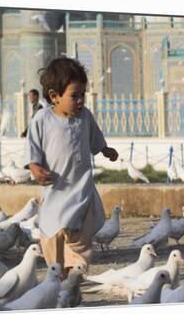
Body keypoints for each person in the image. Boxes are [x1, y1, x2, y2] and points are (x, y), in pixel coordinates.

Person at [24, 57, 118, 276]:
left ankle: (74, 277)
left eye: (82, 95)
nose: (80, 101)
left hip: (81, 192)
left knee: (80, 243)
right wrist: (35, 168)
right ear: (54, 96)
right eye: (74, 95)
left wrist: (105, 150)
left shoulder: (85, 117)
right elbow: (32, 148)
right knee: (52, 239)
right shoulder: (42, 119)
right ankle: (58, 278)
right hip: (56, 192)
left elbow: (95, 138)